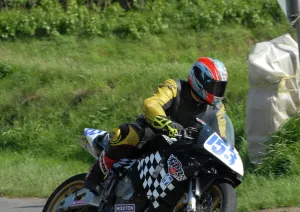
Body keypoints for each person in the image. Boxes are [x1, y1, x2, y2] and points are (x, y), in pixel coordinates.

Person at [84, 57, 233, 195]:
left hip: (184, 145)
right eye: (213, 86)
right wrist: (169, 125)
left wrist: (228, 150)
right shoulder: (175, 87)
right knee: (129, 133)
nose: (216, 92)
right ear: (199, 79)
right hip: (154, 133)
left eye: (219, 87)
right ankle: (94, 175)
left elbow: (222, 138)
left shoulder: (218, 108)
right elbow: (151, 104)